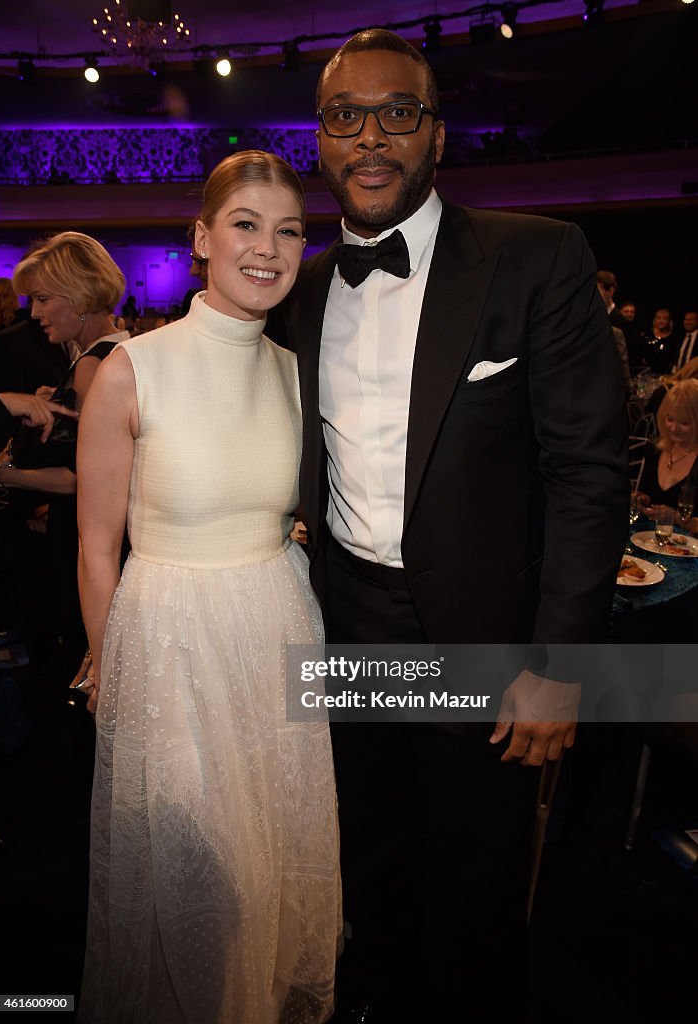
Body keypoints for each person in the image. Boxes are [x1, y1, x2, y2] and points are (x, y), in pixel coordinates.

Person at [272, 28, 627, 1021]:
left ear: (438, 133)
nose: (371, 137)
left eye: (398, 113)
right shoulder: (297, 291)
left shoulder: (537, 256)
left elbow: (587, 473)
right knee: (369, 867)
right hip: (349, 622)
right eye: (346, 116)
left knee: (473, 894)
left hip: (484, 641)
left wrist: (560, 662)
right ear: (321, 139)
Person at [76, 151, 340, 1024]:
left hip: (275, 626)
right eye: (244, 224)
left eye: (289, 230)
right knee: (203, 872)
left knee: (273, 852)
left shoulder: (299, 375)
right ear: (201, 238)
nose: (267, 248)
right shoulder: (131, 367)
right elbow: (94, 542)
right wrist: (106, 658)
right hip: (170, 641)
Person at [0, 232, 129, 680]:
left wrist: (6, 476)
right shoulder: (113, 351)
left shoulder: (94, 364)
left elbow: (83, 479)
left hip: (84, 541)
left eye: (43, 299)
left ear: (77, 297)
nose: (34, 313)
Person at [637, 379, 698, 510]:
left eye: (684, 423)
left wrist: (676, 519)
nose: (674, 428)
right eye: (670, 419)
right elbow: (646, 493)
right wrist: (642, 499)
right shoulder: (654, 449)